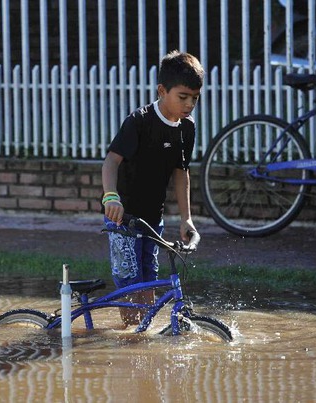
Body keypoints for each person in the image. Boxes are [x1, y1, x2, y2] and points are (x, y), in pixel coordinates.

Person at [101, 50, 204, 326]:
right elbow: (110, 161)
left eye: (195, 98)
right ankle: (130, 336)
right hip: (122, 218)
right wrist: (111, 197)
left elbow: (181, 172)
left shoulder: (187, 128)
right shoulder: (139, 121)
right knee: (130, 284)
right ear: (162, 90)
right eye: (183, 97)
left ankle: (140, 337)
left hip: (152, 220)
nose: (189, 104)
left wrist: (186, 218)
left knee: (150, 279)